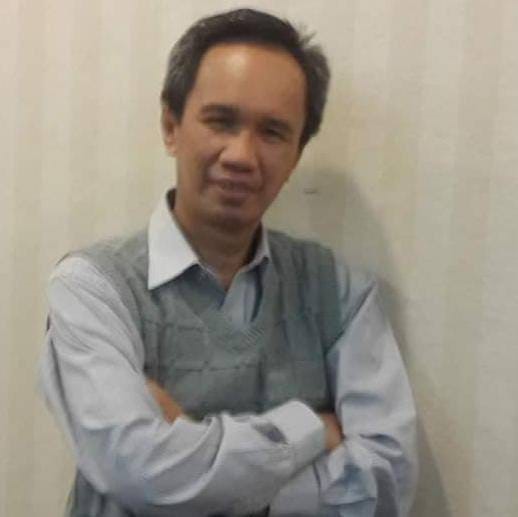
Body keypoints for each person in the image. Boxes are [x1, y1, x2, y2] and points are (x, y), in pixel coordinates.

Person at [39, 8, 417, 517]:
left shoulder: (341, 293)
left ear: (297, 153)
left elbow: (387, 481)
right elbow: (139, 471)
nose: (241, 155)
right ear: (171, 126)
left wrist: (189, 449)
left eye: (273, 132)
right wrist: (310, 428)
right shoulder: (93, 289)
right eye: (221, 121)